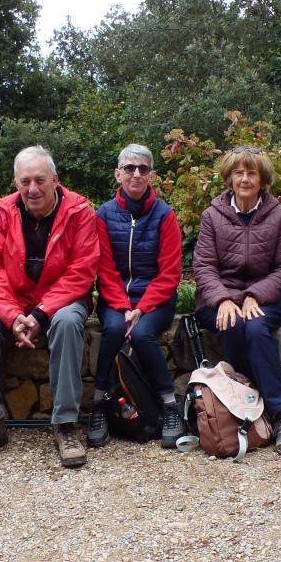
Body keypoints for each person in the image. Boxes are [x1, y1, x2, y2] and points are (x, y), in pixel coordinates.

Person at [0, 146, 99, 468]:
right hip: (16, 300)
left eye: (40, 180)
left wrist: (41, 314)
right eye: (25, 181)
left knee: (67, 325)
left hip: (64, 299)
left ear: (55, 179)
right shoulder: (4, 213)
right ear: (16, 182)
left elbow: (81, 271)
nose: (33, 188)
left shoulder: (80, 211)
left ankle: (65, 425)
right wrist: (13, 316)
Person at [193, 145, 281, 456]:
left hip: (262, 300)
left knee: (254, 328)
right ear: (229, 177)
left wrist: (255, 295)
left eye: (251, 172)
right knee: (231, 325)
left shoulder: (278, 216)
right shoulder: (212, 216)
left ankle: (280, 416)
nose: (244, 178)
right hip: (217, 300)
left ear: (262, 178)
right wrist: (225, 299)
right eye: (238, 172)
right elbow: (203, 266)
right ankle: (254, 405)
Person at [89, 144, 184, 449]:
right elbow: (104, 269)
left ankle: (169, 405)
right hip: (116, 299)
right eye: (129, 168)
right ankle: (99, 404)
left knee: (143, 335)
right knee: (114, 329)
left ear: (152, 175)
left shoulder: (164, 215)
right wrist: (121, 306)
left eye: (143, 168)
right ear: (118, 174)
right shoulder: (103, 214)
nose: (136, 174)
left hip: (154, 300)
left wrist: (141, 308)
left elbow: (169, 272)